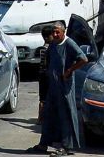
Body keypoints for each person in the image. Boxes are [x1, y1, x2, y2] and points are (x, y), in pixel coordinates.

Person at [37, 22, 89, 155]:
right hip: (53, 87)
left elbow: (83, 59)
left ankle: (67, 146)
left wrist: (69, 70)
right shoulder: (53, 44)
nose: (55, 34)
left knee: (65, 116)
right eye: (53, 32)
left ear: (63, 31)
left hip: (64, 88)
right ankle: (43, 144)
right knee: (49, 116)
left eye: (57, 32)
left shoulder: (69, 44)